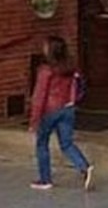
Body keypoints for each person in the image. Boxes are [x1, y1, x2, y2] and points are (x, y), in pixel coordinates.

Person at [28, 35, 93, 191]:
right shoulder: (70, 67)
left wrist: (34, 120)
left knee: (42, 143)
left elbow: (40, 96)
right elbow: (79, 86)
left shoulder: (46, 70)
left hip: (50, 111)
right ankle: (84, 166)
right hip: (68, 108)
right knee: (67, 143)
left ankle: (45, 179)